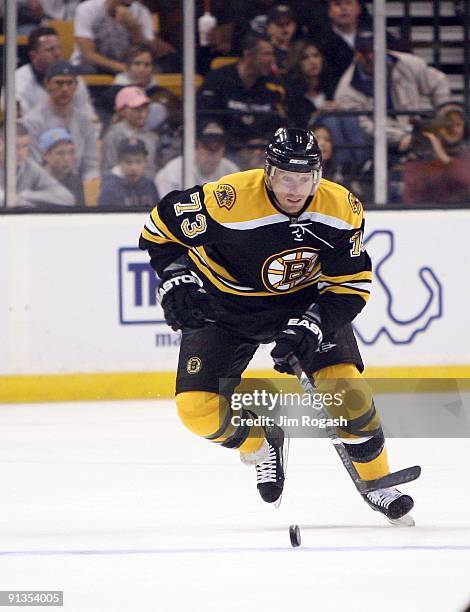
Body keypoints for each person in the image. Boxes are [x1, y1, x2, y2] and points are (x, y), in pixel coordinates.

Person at [138, 126, 415, 521]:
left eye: (306, 178)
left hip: (301, 302)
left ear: (318, 175)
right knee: (196, 410)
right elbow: (158, 231)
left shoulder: (341, 209)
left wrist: (312, 324)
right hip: (223, 307)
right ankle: (260, 441)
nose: (295, 189)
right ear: (268, 171)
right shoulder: (227, 199)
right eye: (286, 177)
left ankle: (381, 482)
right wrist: (175, 275)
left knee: (347, 391)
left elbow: (350, 285)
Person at [334, 31, 451, 152]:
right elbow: (364, 127)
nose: (371, 57)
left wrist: (443, 114)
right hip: (380, 145)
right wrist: (401, 137)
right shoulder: (347, 89)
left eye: (374, 51)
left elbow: (439, 81)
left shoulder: (408, 63)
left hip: (417, 130)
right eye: (365, 52)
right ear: (356, 54)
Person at [197, 31, 286, 145]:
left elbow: (281, 124)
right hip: (224, 151)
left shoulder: (274, 86)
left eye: (272, 54)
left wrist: (264, 143)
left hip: (262, 153)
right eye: (266, 54)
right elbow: (207, 121)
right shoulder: (217, 80)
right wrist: (241, 145)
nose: (272, 60)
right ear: (248, 55)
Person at [21, 60, 99, 182]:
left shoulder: (84, 121)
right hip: (44, 184)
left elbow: (90, 164)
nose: (65, 89)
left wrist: (91, 181)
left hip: (78, 183)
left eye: (70, 83)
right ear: (47, 84)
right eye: (59, 83)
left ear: (76, 86)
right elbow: (33, 165)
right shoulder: (32, 121)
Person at [2, 26, 94, 118]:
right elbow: (19, 122)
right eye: (50, 50)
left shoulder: (74, 78)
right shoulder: (17, 80)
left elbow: (88, 117)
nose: (57, 54)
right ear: (33, 56)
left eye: (59, 48)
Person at [403, 103, 470, 204]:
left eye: (458, 125)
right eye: (448, 124)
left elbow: (465, 181)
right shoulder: (422, 158)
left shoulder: (467, 156)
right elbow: (411, 197)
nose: (453, 129)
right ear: (437, 128)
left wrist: (443, 156)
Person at [155, 121, 238, 198]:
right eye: (207, 147)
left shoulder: (231, 172)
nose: (212, 154)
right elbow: (167, 210)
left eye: (218, 147)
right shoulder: (171, 174)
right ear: (194, 148)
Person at [71, 0, 156, 74]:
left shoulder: (142, 12)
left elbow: (149, 53)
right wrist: (123, 68)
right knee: (88, 70)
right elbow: (88, 55)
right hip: (91, 65)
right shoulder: (87, 9)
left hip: (127, 66)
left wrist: (133, 28)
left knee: (153, 70)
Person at [0, 123, 74, 208]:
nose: (21, 153)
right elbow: (5, 201)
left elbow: (67, 198)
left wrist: (26, 195)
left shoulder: (30, 167)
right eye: (16, 147)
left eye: (25, 146)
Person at [101, 85, 160, 178]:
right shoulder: (115, 135)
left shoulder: (152, 136)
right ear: (121, 111)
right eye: (135, 109)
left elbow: (153, 169)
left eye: (144, 108)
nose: (141, 113)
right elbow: (109, 168)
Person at [98, 137, 158, 207]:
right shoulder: (109, 189)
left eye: (138, 162)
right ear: (120, 163)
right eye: (128, 162)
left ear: (145, 162)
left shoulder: (149, 186)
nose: (133, 168)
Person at [39, 127, 85, 206]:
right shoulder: (35, 182)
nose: (66, 159)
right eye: (60, 153)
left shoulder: (75, 181)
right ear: (46, 156)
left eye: (71, 152)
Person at [265, 4, 298, 73]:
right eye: (279, 24)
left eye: (288, 23)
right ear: (269, 28)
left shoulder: (300, 49)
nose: (285, 29)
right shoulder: (266, 52)